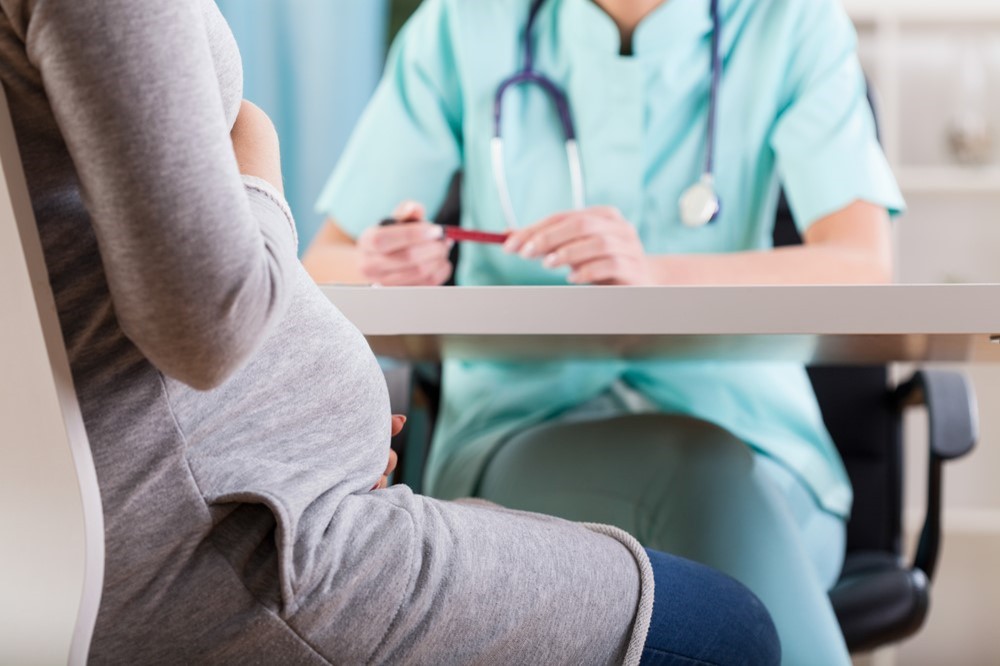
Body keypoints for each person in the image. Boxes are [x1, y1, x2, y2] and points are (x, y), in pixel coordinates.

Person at [0, 0, 780, 663]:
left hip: (188, 517)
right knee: (728, 632)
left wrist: (308, 430)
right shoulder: (466, 25)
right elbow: (204, 325)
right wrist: (254, 154)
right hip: (241, 547)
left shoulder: (780, 23)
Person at [304, 0, 906, 663]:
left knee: (711, 480)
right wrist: (381, 264)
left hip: (764, 455)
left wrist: (655, 273)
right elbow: (321, 263)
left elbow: (861, 265)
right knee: (695, 472)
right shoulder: (463, 24)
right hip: (522, 440)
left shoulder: (790, 23)